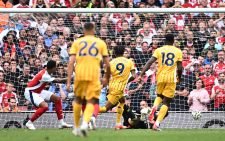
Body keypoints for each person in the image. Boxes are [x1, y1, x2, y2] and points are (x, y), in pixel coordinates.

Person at [66, 22, 110, 137]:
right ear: (94, 30)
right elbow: (107, 64)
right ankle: (85, 124)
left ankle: (76, 127)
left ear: (83, 30)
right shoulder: (100, 43)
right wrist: (106, 77)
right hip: (93, 76)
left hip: (79, 74)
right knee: (92, 100)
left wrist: (68, 81)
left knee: (78, 100)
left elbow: (71, 62)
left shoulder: (77, 42)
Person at [138, 34, 183, 131]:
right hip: (171, 79)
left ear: (165, 41)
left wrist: (141, 74)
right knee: (166, 102)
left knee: (159, 96)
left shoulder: (159, 50)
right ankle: (156, 124)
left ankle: (153, 109)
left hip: (160, 77)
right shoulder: (178, 51)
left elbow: (150, 62)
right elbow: (179, 67)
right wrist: (179, 77)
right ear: (173, 41)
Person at [24, 60, 72, 130]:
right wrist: (70, 78)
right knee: (45, 106)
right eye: (56, 67)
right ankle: (29, 123)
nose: (57, 68)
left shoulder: (46, 71)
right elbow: (58, 80)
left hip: (39, 91)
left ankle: (61, 123)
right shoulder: (44, 75)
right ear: (52, 68)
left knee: (57, 99)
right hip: (31, 92)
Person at [99, 45, 136, 129]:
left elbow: (106, 78)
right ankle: (87, 111)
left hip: (112, 86)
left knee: (122, 101)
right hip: (119, 88)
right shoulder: (129, 62)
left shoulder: (111, 63)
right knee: (105, 108)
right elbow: (134, 76)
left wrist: (102, 86)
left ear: (114, 53)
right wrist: (126, 81)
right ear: (123, 52)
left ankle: (118, 123)